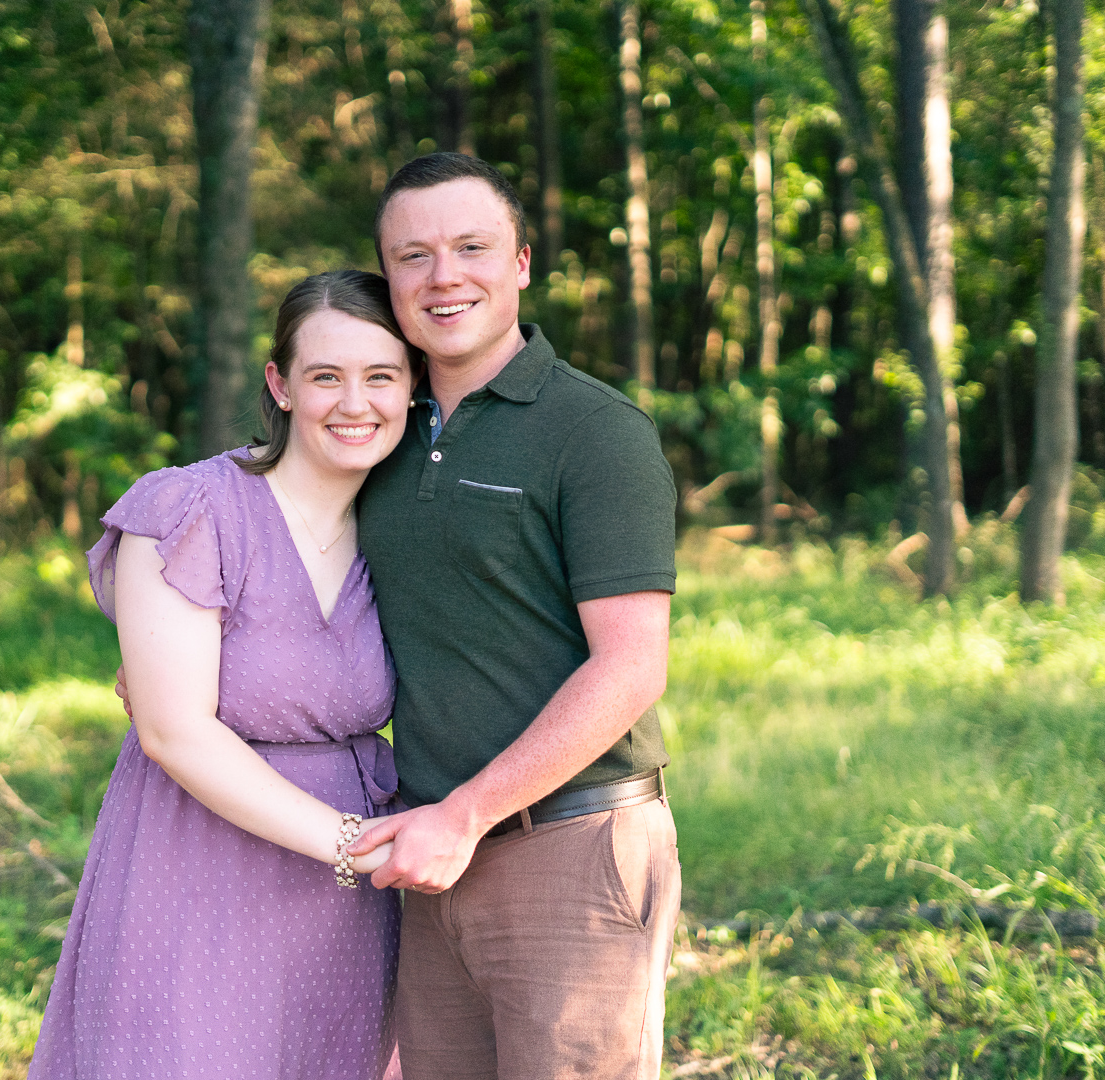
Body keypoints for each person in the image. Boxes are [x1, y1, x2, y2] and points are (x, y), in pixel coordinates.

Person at [28, 270, 417, 1080]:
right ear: (280, 385)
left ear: (412, 390)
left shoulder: (402, 528)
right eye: (326, 377)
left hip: (341, 910)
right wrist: (353, 846)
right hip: (196, 868)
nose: (356, 402)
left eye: (381, 376)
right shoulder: (190, 510)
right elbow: (174, 731)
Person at [346, 152, 682, 1079]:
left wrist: (467, 812)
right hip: (423, 858)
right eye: (413, 256)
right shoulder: (372, 426)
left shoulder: (596, 431)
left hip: (568, 848)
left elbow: (630, 666)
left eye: (471, 247)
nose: (443, 276)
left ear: (523, 263)